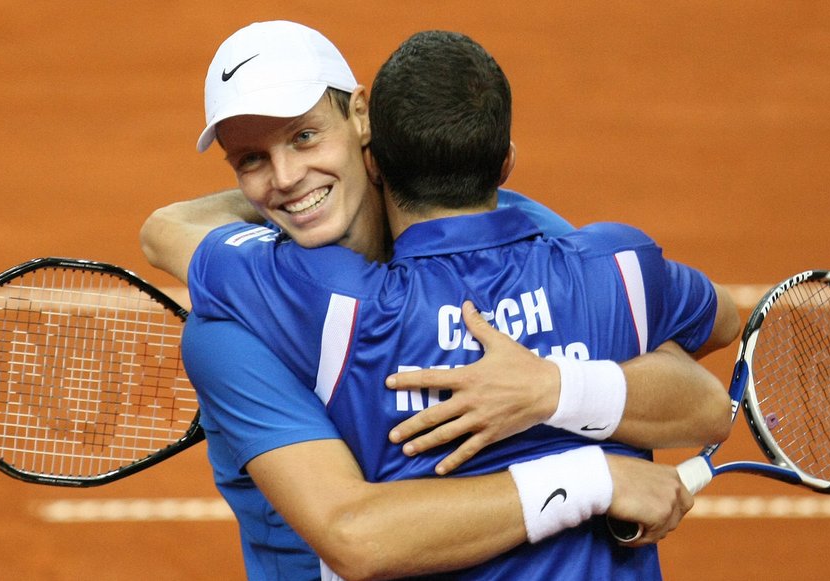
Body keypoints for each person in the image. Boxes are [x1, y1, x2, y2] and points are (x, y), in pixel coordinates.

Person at [161, 23, 737, 580]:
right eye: (250, 160)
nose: (285, 176)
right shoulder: (237, 328)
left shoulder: (532, 233)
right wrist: (592, 479)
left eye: (304, 136)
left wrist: (550, 387)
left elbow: (706, 404)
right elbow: (355, 536)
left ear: (364, 123)